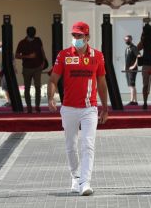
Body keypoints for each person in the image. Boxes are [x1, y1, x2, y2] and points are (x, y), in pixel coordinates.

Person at [47, 21, 108, 196]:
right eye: (74, 35)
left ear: (87, 37)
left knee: (88, 145)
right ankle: (75, 176)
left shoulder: (97, 56)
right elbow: (53, 79)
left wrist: (105, 107)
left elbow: (102, 82)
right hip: (69, 108)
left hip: (89, 109)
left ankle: (85, 182)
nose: (76, 39)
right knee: (71, 145)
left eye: (79, 36)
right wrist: (51, 98)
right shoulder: (64, 55)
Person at [15, 26, 46, 113]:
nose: (33, 34)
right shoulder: (22, 43)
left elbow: (42, 50)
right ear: (27, 33)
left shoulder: (38, 40)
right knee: (27, 88)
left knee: (37, 87)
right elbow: (16, 55)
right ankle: (29, 107)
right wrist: (27, 56)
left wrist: (44, 61)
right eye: (31, 32)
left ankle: (37, 106)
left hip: (37, 67)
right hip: (27, 68)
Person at [0, 41, 17, 107]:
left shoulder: (8, 53)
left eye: (0, 47)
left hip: (7, 72)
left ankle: (9, 101)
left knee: (6, 87)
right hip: (5, 72)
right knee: (5, 88)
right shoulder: (6, 53)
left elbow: (11, 63)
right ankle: (9, 101)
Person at [124, 35, 140, 106]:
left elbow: (139, 56)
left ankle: (131, 101)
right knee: (132, 85)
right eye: (125, 40)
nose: (126, 41)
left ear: (131, 39)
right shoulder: (127, 49)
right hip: (127, 69)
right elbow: (127, 59)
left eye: (128, 40)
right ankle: (135, 101)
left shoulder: (134, 48)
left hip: (132, 70)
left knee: (131, 85)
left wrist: (134, 65)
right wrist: (125, 66)